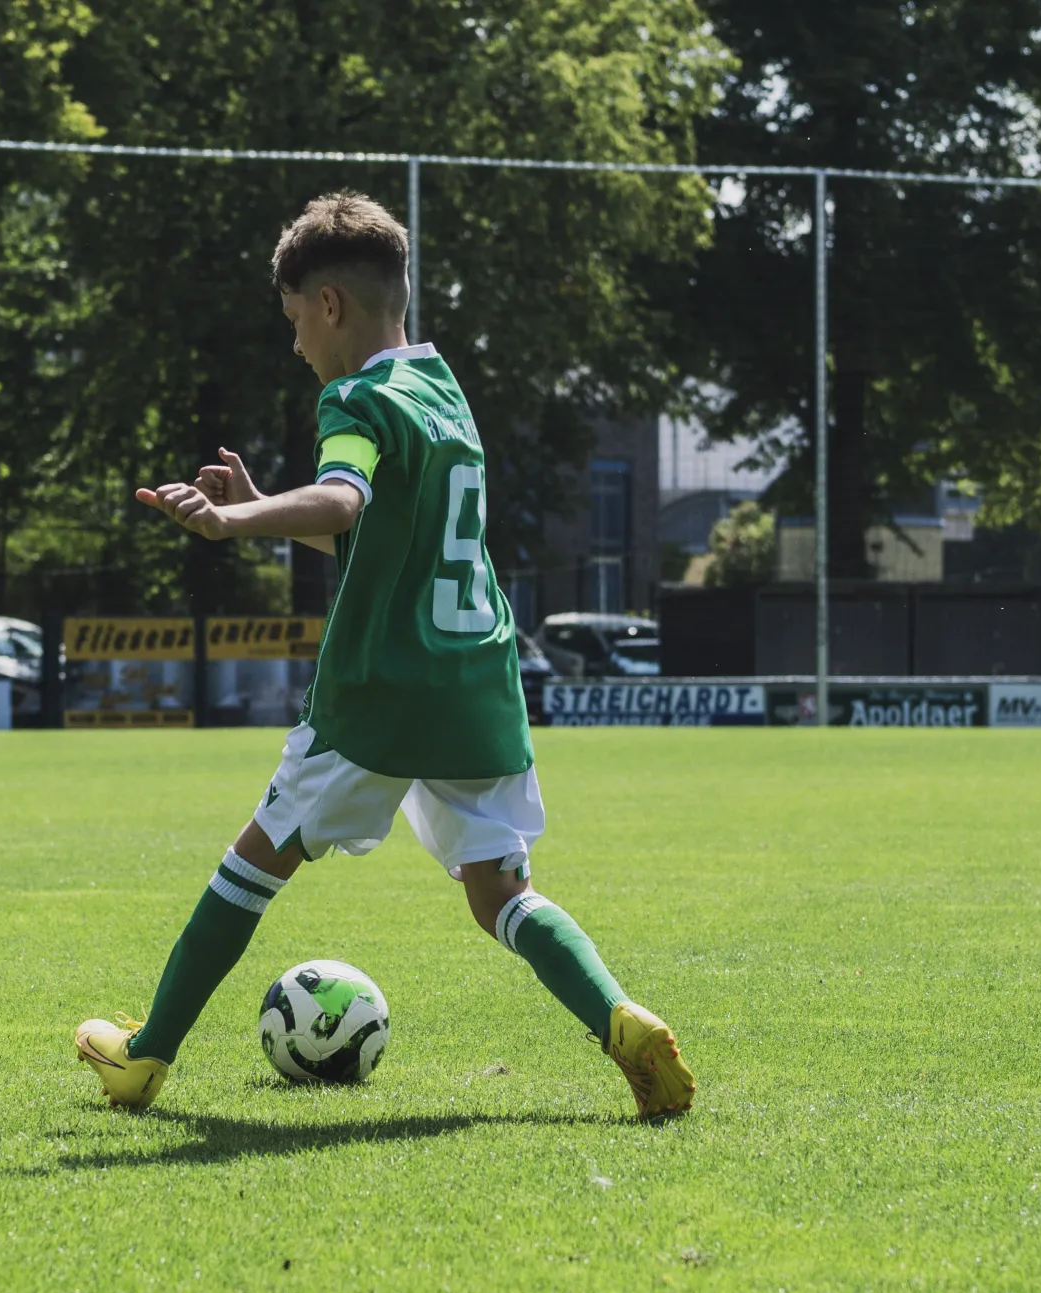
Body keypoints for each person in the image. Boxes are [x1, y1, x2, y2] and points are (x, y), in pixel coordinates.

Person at [73, 193, 695, 1121]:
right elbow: (380, 533)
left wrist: (236, 519)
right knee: (501, 895)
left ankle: (146, 1055)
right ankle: (621, 1020)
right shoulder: (442, 392)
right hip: (477, 687)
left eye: (295, 320)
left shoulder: (354, 399)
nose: (296, 344)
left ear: (329, 305)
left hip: (380, 692)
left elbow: (344, 501)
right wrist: (261, 502)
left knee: (252, 864)